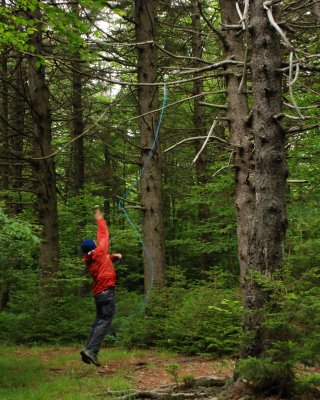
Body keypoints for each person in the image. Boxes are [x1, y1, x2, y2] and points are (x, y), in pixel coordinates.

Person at [80, 209, 121, 367]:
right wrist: (100, 219)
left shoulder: (92, 258)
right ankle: (91, 350)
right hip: (106, 292)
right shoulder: (99, 251)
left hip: (99, 293)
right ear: (95, 246)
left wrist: (113, 258)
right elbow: (104, 234)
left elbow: (103, 261)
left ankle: (87, 349)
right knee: (105, 320)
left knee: (99, 320)